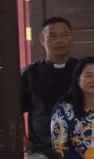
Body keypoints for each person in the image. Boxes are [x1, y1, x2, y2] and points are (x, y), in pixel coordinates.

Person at [22, 16, 78, 151]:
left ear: (71, 37)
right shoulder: (30, 73)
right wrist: (24, 141)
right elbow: (16, 110)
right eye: (53, 36)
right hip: (42, 147)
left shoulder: (82, 69)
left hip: (79, 146)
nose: (59, 40)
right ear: (42, 39)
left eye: (64, 35)